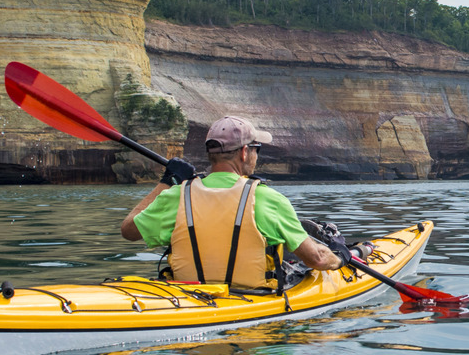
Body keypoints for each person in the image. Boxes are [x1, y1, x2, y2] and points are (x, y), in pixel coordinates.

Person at [121, 115, 342, 288]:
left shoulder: (177, 195)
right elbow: (318, 260)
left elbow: (128, 231)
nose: (256, 155)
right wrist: (341, 257)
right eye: (257, 149)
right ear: (245, 152)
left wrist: (166, 182)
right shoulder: (267, 199)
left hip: (188, 295)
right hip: (253, 307)